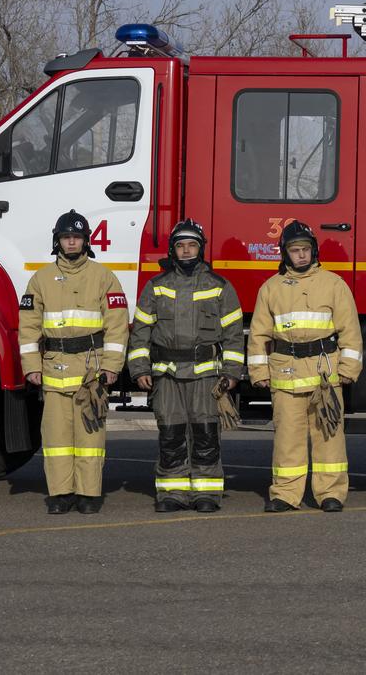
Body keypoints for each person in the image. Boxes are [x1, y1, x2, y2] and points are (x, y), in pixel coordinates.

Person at [126, 219, 245, 513]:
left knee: (206, 433)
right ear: (173, 250)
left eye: (192, 245)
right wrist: (140, 369)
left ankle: (207, 493)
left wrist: (231, 373)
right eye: (181, 245)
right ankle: (172, 492)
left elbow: (232, 334)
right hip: (166, 375)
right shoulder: (156, 287)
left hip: (205, 375)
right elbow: (140, 331)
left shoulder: (220, 287)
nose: (187, 250)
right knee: (171, 433)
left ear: (200, 249)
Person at [18, 210, 129, 515]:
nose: (71, 242)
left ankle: (89, 494)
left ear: (85, 241)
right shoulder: (40, 279)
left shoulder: (104, 277)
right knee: (56, 439)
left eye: (76, 237)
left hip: (90, 372)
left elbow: (117, 326)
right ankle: (60, 494)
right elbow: (28, 327)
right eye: (66, 237)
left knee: (90, 438)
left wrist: (111, 366)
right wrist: (32, 366)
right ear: (57, 241)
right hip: (53, 369)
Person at [248, 221, 363, 512]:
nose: (301, 255)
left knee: (329, 437)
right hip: (286, 374)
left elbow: (350, 330)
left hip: (325, 374)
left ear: (314, 251)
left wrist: (349, 368)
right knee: (288, 438)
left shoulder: (334, 284)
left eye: (305, 250)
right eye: (295, 250)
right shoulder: (271, 288)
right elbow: (259, 334)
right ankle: (286, 494)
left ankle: (331, 494)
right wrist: (259, 372)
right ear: (284, 253)